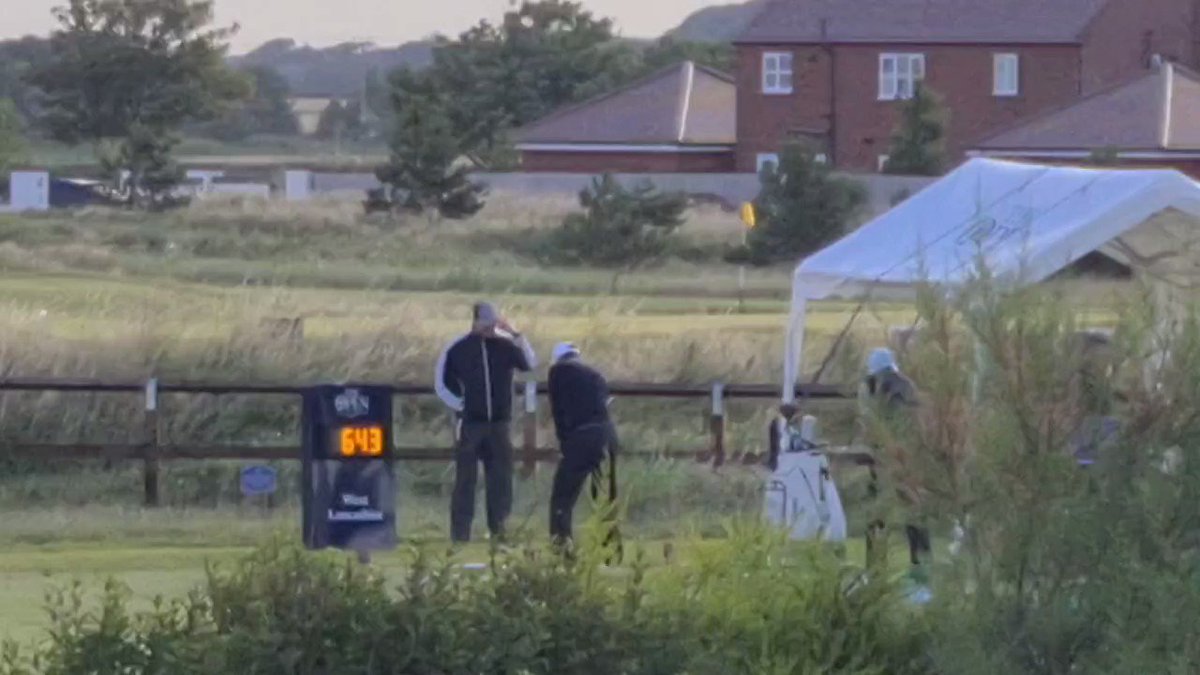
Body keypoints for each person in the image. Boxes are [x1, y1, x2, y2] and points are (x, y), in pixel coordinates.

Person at [435, 301, 537, 543]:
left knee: (500, 481)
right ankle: (460, 534)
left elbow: (530, 365)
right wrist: (461, 406)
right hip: (471, 425)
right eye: (487, 324)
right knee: (465, 482)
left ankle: (499, 531)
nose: (491, 330)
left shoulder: (505, 346)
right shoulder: (458, 349)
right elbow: (442, 383)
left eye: (494, 325)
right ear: (476, 322)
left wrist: (516, 335)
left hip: (499, 425)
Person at [861, 348, 929, 568]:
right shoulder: (905, 386)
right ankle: (920, 565)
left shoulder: (869, 389)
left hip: (883, 459)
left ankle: (874, 566)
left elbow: (869, 424)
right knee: (913, 512)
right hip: (904, 459)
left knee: (879, 513)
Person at [547, 342, 618, 549]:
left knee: (563, 495)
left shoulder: (558, 372)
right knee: (605, 495)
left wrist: (565, 443)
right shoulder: (595, 375)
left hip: (581, 436)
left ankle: (561, 544)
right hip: (607, 434)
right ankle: (610, 547)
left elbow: (558, 411)